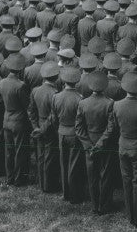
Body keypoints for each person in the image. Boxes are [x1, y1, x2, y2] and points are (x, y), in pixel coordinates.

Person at [99, 72, 137, 227]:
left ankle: (131, 214)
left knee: (127, 181)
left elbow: (114, 127)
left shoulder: (116, 105)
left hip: (123, 146)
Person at [76, 70, 115, 214]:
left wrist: (88, 145)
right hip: (105, 142)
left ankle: (95, 205)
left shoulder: (83, 103)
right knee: (105, 174)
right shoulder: (110, 103)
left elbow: (78, 128)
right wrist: (99, 144)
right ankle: (104, 205)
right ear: (105, 87)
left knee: (92, 175)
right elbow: (111, 128)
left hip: (90, 142)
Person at [50, 65, 87, 204]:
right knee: (74, 165)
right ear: (76, 82)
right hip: (74, 134)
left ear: (64, 81)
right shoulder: (80, 98)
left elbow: (53, 118)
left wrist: (58, 129)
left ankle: (66, 193)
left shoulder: (56, 97)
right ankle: (74, 195)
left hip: (61, 132)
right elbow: (81, 120)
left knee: (63, 163)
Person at [0, 53, 32, 187]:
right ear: (20, 70)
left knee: (9, 151)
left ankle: (9, 177)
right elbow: (26, 105)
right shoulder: (21, 85)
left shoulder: (2, 82)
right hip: (19, 122)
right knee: (20, 151)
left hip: (7, 120)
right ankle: (19, 179)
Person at [29, 61, 62, 193]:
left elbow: (31, 111)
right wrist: (42, 129)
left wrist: (36, 127)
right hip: (50, 128)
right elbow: (53, 116)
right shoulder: (55, 93)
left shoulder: (35, 90)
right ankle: (49, 185)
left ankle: (41, 182)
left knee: (41, 155)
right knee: (50, 157)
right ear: (56, 78)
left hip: (38, 127)